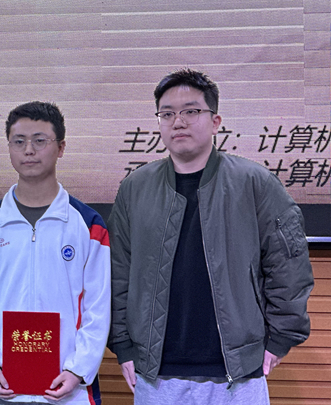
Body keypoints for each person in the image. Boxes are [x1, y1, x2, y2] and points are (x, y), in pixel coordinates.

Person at [108, 69, 314, 404]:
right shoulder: (135, 188)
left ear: (216, 121)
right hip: (156, 374)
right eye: (167, 114)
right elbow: (118, 272)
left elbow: (289, 266)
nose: (178, 122)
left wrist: (280, 338)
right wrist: (122, 344)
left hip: (239, 374)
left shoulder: (255, 183)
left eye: (191, 111)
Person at [0, 101, 110, 404]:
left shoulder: (88, 225)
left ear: (61, 147)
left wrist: (78, 369)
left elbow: (98, 306)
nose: (29, 150)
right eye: (19, 141)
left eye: (40, 140)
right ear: (9, 148)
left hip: (69, 390)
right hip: (3, 388)